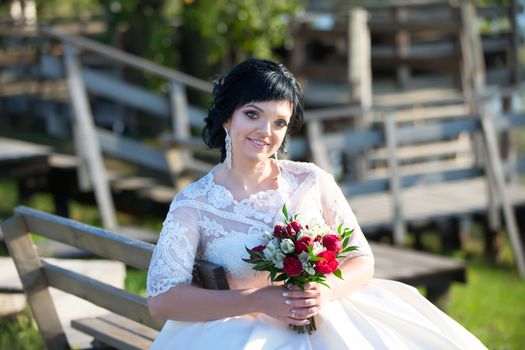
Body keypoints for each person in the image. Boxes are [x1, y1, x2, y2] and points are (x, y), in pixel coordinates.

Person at [146, 58, 486, 349]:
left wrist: (327, 291)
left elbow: (361, 259)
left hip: (329, 318)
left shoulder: (311, 181)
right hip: (242, 332)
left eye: (279, 122)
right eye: (252, 114)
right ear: (226, 118)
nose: (266, 131)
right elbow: (162, 300)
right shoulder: (194, 204)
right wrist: (254, 300)